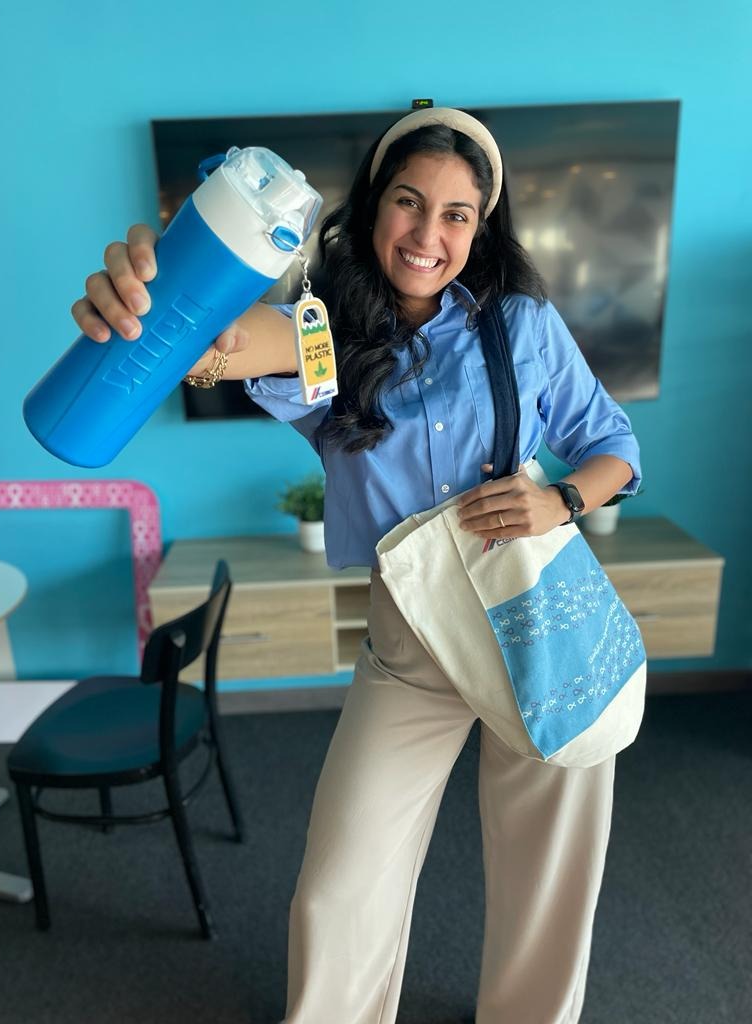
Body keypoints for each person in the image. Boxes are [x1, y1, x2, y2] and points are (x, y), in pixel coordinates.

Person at [73, 107, 642, 1024]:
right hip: (411, 651)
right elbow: (229, 340)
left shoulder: (523, 326)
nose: (428, 234)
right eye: (409, 202)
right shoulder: (324, 333)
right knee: (339, 887)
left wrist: (563, 498)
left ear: (481, 228)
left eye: (457, 215)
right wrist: (162, 306)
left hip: (539, 623)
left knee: (551, 874)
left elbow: (613, 443)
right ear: (374, 206)